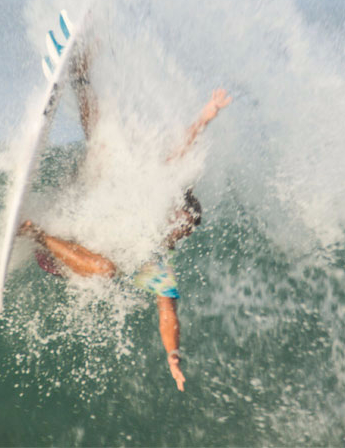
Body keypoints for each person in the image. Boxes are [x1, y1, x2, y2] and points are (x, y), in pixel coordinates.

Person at [18, 48, 232, 392]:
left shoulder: (156, 262)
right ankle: (80, 75)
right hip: (74, 208)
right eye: (179, 219)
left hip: (57, 257)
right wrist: (207, 116)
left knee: (107, 270)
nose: (176, 228)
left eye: (182, 228)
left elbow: (167, 313)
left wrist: (173, 353)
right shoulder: (152, 196)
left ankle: (34, 233)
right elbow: (181, 150)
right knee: (105, 152)